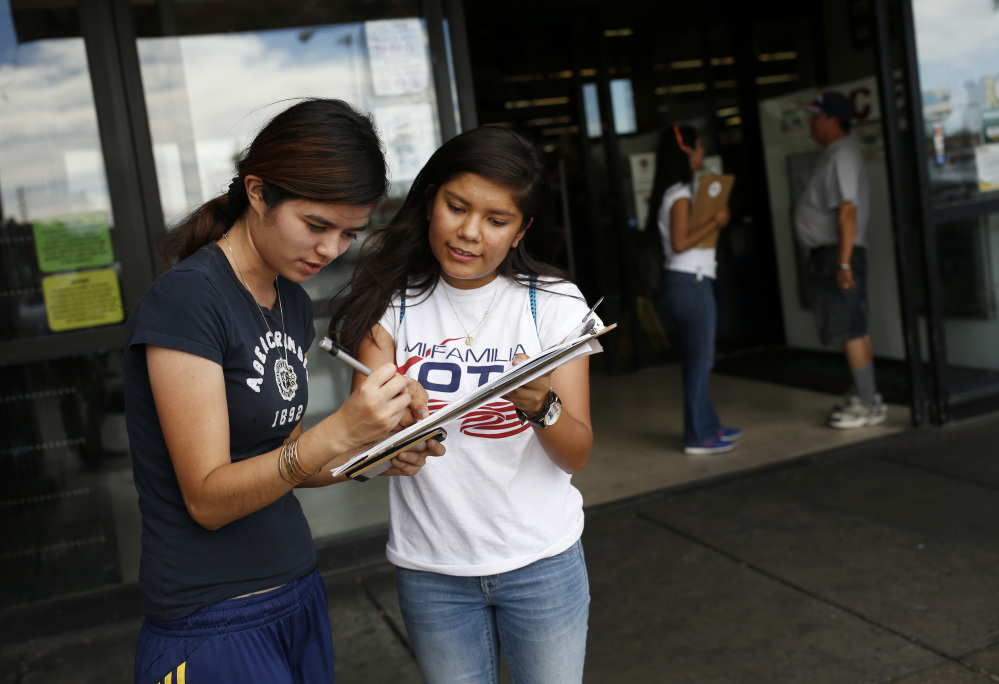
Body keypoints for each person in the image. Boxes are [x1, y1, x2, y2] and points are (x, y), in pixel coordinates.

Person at [122, 98, 444, 684]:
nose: (330, 251)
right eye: (317, 225)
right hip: (211, 614)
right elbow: (208, 499)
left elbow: (293, 462)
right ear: (257, 192)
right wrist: (341, 429)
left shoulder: (289, 299)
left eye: (349, 233)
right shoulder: (190, 299)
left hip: (295, 587)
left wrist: (374, 453)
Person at [329, 126, 596, 684]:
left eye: (496, 221)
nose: (470, 233)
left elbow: (575, 454)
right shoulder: (391, 303)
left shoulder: (552, 305)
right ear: (430, 200)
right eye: (457, 207)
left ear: (521, 229)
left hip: (541, 563)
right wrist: (390, 450)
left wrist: (541, 404)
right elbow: (363, 448)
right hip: (432, 570)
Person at [794, 90, 886, 428]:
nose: (810, 123)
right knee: (853, 327)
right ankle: (867, 394)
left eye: (816, 117)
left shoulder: (840, 156)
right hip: (836, 253)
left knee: (850, 329)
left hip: (838, 253)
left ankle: (866, 402)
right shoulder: (835, 154)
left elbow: (847, 211)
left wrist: (843, 263)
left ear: (833, 120)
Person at [647, 124, 740, 455]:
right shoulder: (681, 194)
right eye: (699, 147)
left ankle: (708, 424)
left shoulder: (673, 191)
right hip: (691, 282)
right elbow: (681, 241)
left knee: (699, 359)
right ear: (687, 151)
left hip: (687, 283)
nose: (703, 153)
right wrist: (716, 221)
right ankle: (698, 435)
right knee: (700, 361)